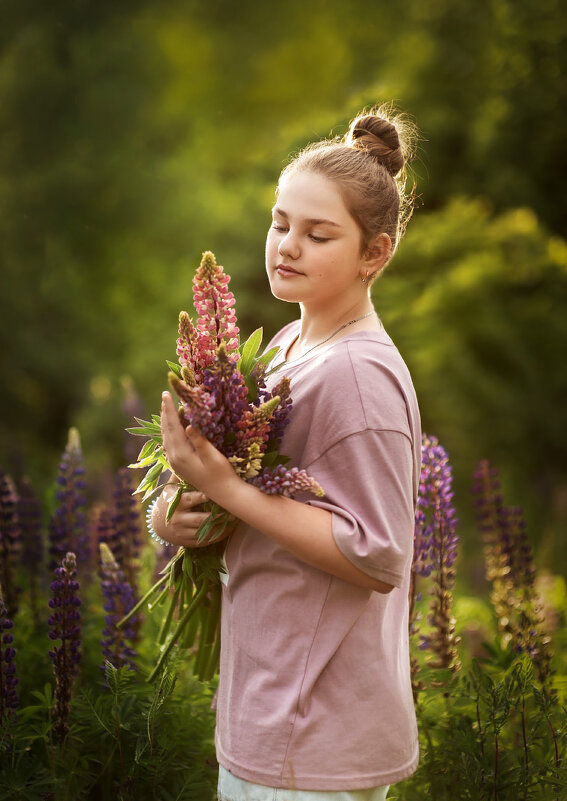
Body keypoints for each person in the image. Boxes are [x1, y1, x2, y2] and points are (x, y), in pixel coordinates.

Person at [154, 105, 421, 801]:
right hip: (273, 714)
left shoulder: (356, 375)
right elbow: (252, 494)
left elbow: (378, 552)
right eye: (280, 223)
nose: (287, 245)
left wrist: (231, 489)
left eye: (318, 233)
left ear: (375, 252)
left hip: (316, 732)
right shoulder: (286, 349)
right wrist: (177, 508)